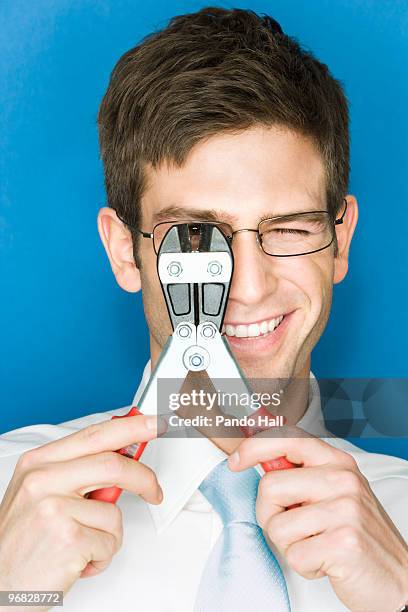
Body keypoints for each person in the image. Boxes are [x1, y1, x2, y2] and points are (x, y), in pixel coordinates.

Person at [0, 6, 407, 612]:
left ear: (340, 241)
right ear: (123, 252)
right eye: (194, 236)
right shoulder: (9, 497)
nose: (245, 288)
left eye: (289, 229)